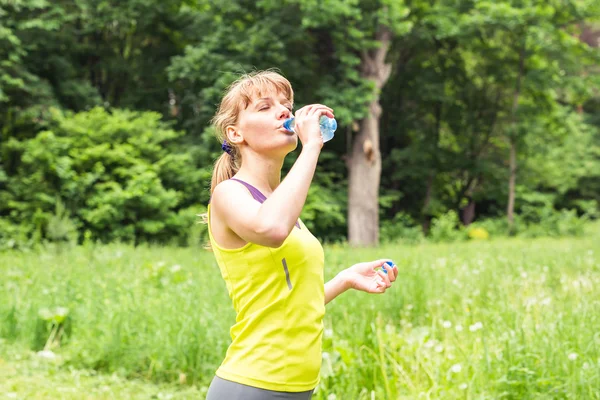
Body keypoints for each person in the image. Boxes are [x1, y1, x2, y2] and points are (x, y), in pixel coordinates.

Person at [204, 70, 399, 400]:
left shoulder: (282, 203)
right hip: (253, 384)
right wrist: (312, 148)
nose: (284, 111)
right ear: (235, 133)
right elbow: (272, 230)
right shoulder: (229, 194)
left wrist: (345, 279)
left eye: (286, 104)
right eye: (265, 107)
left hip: (297, 387)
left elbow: (285, 303)